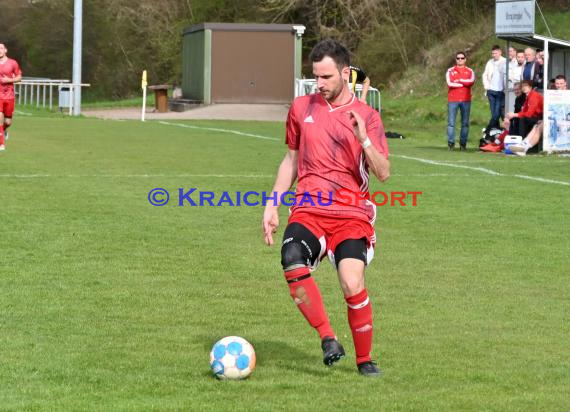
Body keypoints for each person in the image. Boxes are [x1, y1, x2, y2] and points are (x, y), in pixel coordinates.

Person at [262, 39, 390, 377]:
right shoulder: (301, 107)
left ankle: (365, 360)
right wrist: (272, 204)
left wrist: (363, 138)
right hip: (309, 208)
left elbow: (383, 173)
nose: (319, 84)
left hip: (351, 214)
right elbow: (290, 160)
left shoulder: (368, 116)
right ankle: (328, 338)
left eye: (327, 77)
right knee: (291, 258)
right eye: (315, 76)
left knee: (351, 283)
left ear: (345, 73)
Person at [446, 51, 475, 150]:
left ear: (465, 59)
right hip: (453, 100)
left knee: (465, 123)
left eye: (462, 58)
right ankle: (451, 143)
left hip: (466, 100)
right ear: (456, 59)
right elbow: (450, 83)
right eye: (458, 58)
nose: (460, 60)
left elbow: (471, 82)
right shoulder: (450, 70)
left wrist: (459, 81)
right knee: (451, 123)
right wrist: (462, 83)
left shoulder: (470, 71)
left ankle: (463, 144)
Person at [0, 43, 22, 151]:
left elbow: (19, 77)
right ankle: (1, 144)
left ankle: (3, 131)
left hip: (9, 96)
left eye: (1, 48)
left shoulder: (13, 63)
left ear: (5, 50)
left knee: (8, 122)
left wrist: (9, 80)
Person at [483, 45, 506, 131]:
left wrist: (505, 89)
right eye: (492, 53)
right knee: (493, 113)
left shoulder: (505, 61)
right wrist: (487, 87)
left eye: (495, 53)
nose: (494, 55)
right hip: (491, 91)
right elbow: (485, 75)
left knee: (496, 113)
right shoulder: (490, 62)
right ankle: (495, 131)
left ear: (500, 52)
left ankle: (488, 130)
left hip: (500, 91)